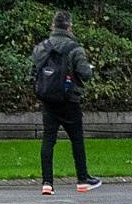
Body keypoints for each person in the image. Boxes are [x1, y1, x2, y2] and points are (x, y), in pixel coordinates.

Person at [30, 12, 102, 194]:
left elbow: (34, 70)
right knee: (76, 139)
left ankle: (47, 183)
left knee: (48, 140)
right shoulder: (75, 48)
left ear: (53, 26)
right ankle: (83, 179)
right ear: (69, 27)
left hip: (48, 100)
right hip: (70, 100)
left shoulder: (41, 47)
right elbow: (85, 74)